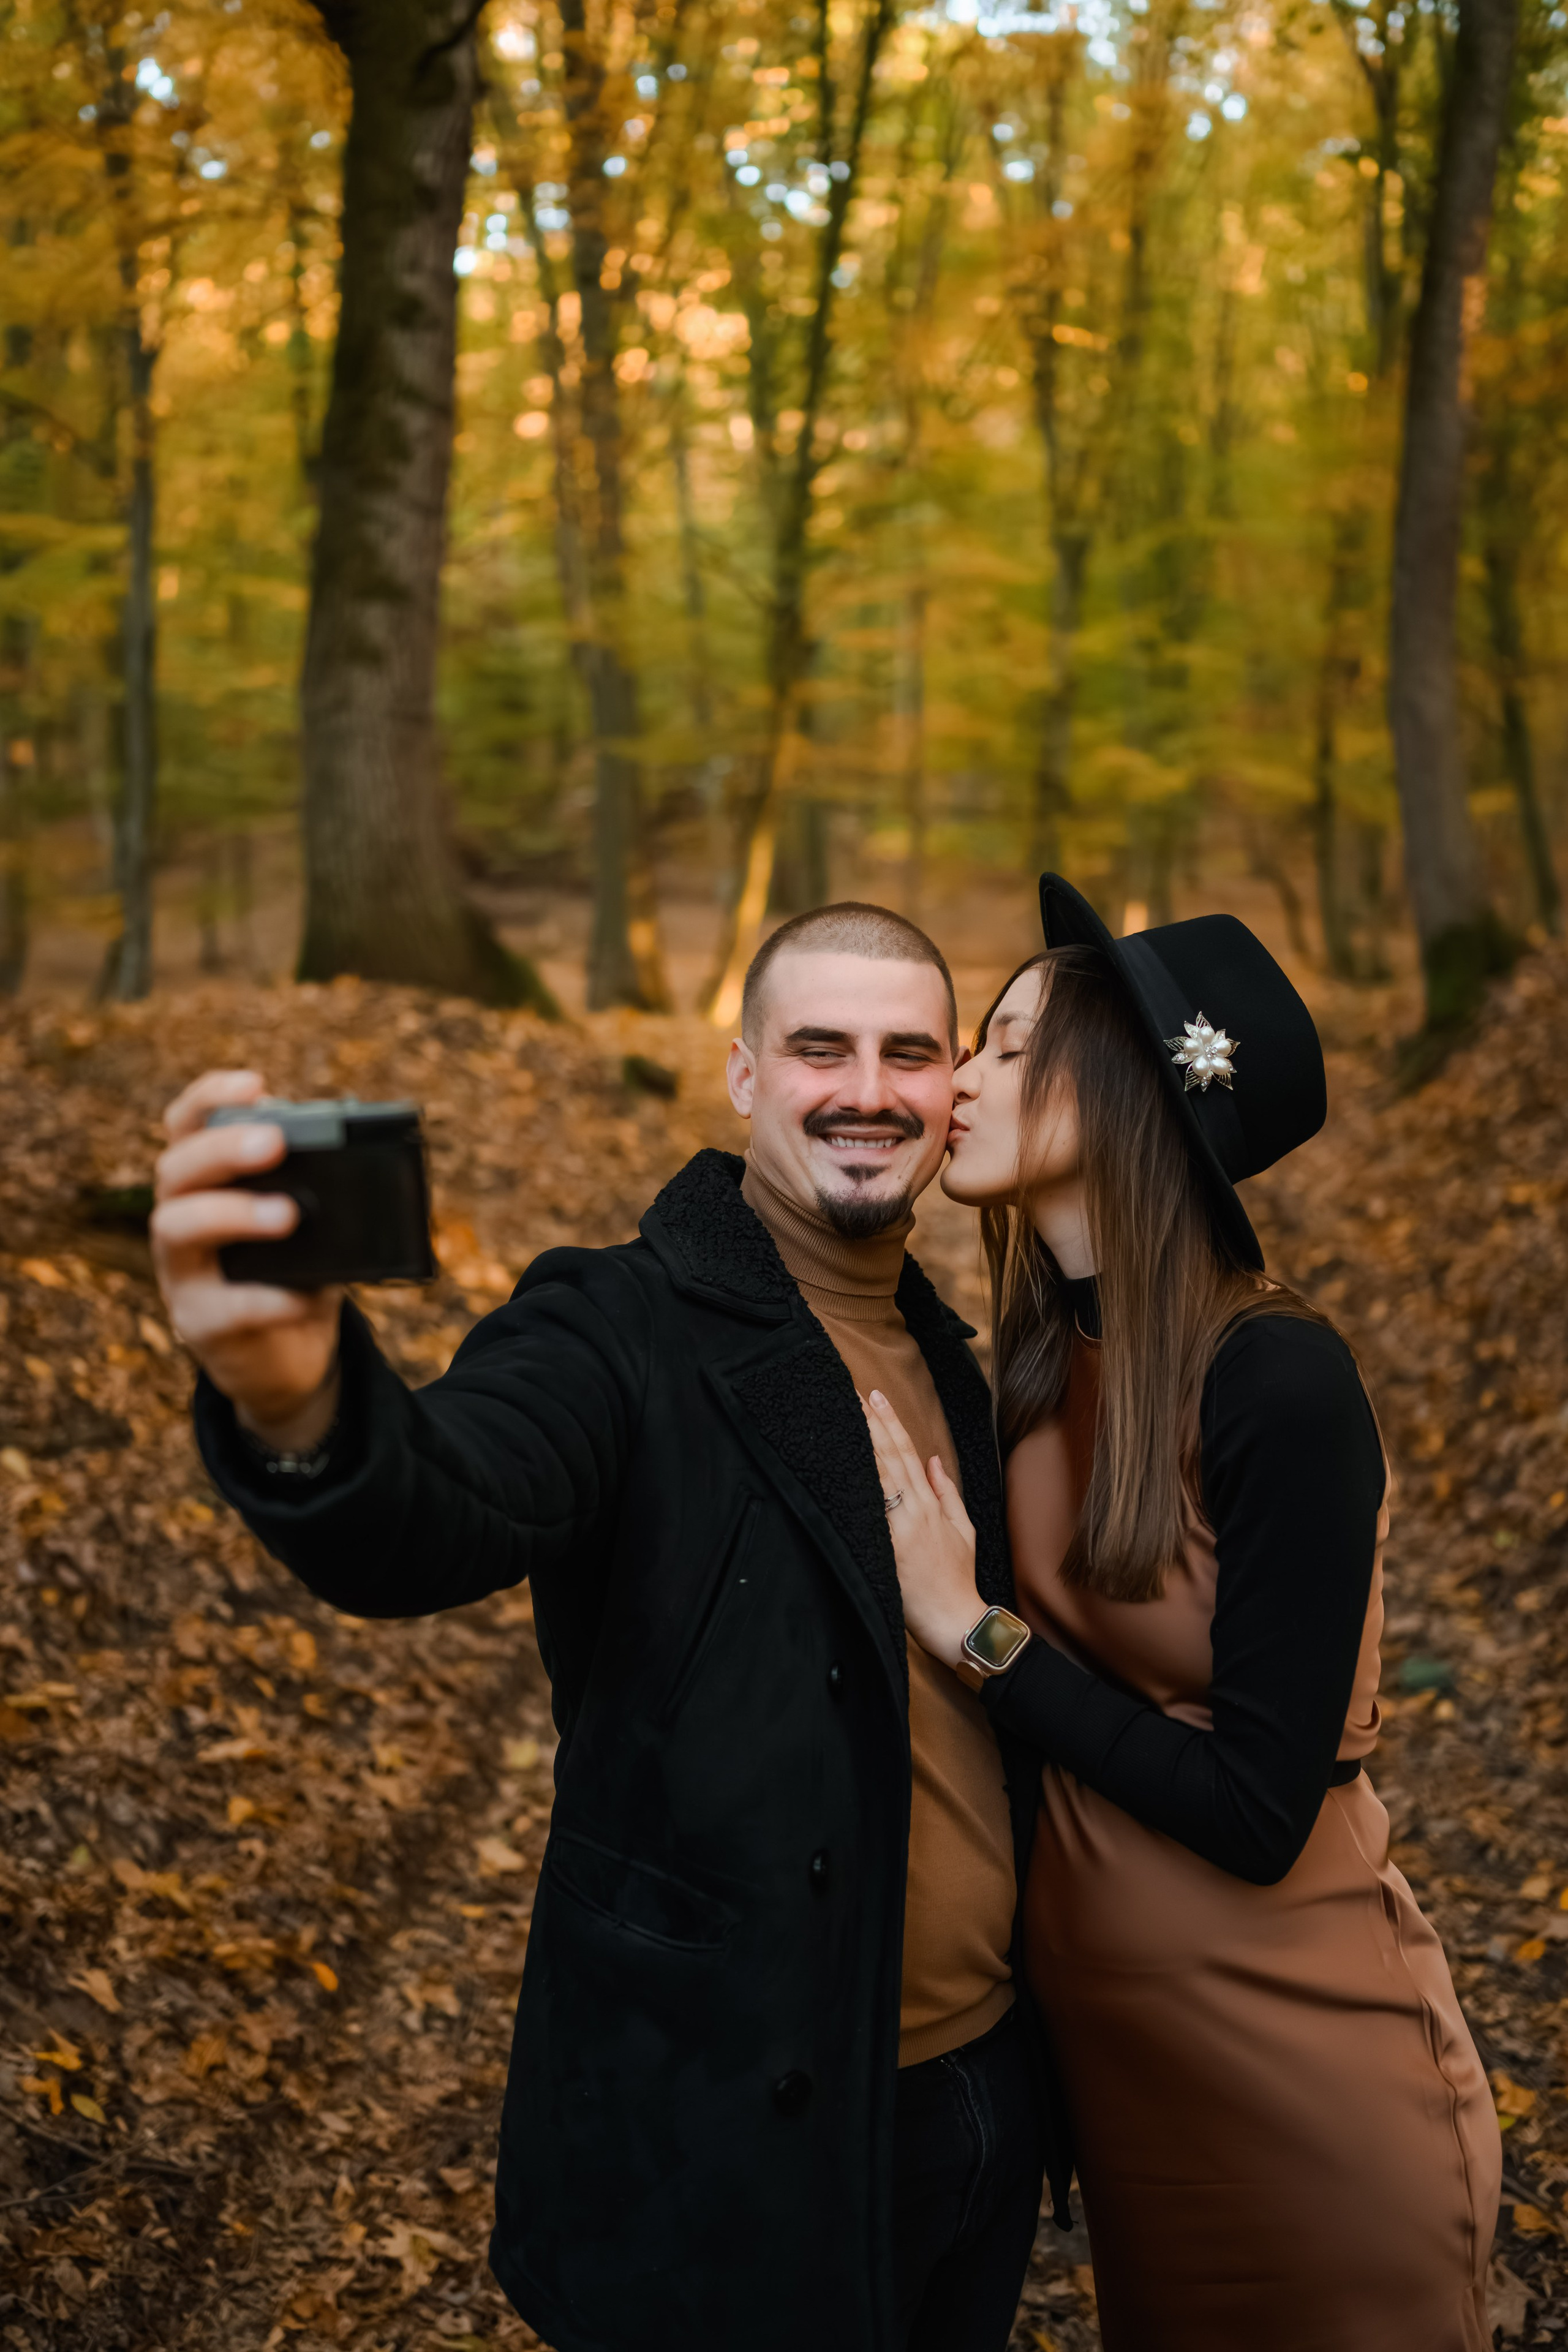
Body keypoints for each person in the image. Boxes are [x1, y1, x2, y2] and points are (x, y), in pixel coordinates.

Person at [150, 902, 1068, 2352]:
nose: (867, 1090)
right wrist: (296, 1401)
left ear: (950, 1085)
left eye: (907, 1053)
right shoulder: (616, 1322)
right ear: (744, 1076)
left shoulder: (959, 1358)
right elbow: (440, 1507)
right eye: (818, 1047)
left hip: (973, 2107)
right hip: (718, 2129)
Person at [864, 875, 1500, 2352]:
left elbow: (1254, 1805)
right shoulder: (1025, 1368)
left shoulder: (1275, 1380)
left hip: (1305, 2084)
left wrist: (977, 1636)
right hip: (1132, 2098)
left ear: (1137, 1089)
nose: (959, 1078)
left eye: (1009, 1047)